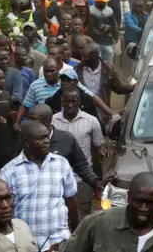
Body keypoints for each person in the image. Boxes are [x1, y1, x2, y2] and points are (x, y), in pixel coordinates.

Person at [0, 121, 80, 251]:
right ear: (27, 142)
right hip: (25, 244)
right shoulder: (9, 171)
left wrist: (77, 235)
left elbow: (71, 201)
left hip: (59, 242)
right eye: (40, 138)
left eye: (47, 137)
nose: (47, 141)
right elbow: (3, 212)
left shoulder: (61, 164)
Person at [63, 172, 153, 252]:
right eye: (138, 201)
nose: (143, 208)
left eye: (150, 202)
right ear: (128, 197)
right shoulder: (97, 223)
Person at [51, 86, 105, 219]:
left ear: (80, 101)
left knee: (83, 216)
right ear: (62, 101)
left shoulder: (91, 121)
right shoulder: (53, 120)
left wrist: (97, 179)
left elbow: (99, 147)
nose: (70, 105)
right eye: (67, 101)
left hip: (82, 179)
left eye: (74, 101)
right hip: (57, 179)